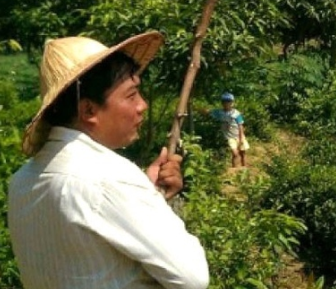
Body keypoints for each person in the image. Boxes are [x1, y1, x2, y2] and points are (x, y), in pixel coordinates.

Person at [8, 31, 209, 289]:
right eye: (131, 94)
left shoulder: (21, 183)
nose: (143, 105)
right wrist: (142, 196)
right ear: (89, 110)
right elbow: (193, 277)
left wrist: (146, 193)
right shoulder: (111, 178)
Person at [211, 92, 249, 168]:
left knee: (242, 153)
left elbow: (240, 125)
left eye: (229, 101)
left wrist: (241, 137)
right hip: (230, 137)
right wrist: (196, 108)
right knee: (235, 153)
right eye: (224, 101)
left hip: (239, 135)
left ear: (232, 103)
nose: (226, 103)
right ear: (222, 103)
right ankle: (234, 169)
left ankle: (244, 167)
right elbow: (208, 112)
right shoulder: (220, 113)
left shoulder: (236, 113)